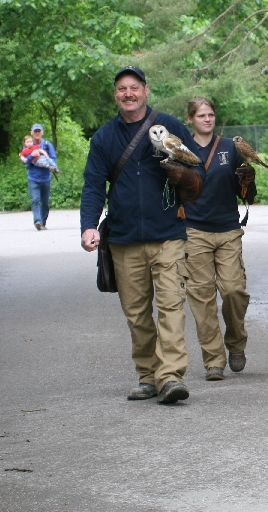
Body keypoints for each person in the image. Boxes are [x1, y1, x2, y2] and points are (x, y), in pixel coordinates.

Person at [80, 66, 204, 404]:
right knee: (136, 313)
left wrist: (184, 175)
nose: (128, 93)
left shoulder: (171, 126)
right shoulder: (104, 137)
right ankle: (148, 376)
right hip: (123, 238)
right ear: (116, 94)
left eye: (134, 87)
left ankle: (170, 377)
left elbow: (198, 167)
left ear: (146, 91)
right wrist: (89, 225)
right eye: (122, 89)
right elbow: (93, 185)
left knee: (171, 307)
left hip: (168, 233)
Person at [182, 97, 257, 381]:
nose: (207, 119)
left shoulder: (230, 147)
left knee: (234, 291)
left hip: (227, 229)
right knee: (202, 298)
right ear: (191, 118)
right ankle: (214, 360)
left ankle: (236, 344)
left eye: (211, 114)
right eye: (201, 115)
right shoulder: (181, 148)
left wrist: (248, 180)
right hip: (194, 230)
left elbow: (248, 195)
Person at [19, 124, 57, 231]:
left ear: (42, 132)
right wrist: (32, 155)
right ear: (31, 132)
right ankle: (37, 221)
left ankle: (42, 223)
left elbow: (53, 157)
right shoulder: (27, 145)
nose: (37, 133)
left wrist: (52, 166)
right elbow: (24, 162)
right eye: (35, 131)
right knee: (35, 200)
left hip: (46, 178)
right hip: (33, 178)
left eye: (39, 131)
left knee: (45, 203)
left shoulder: (47, 144)